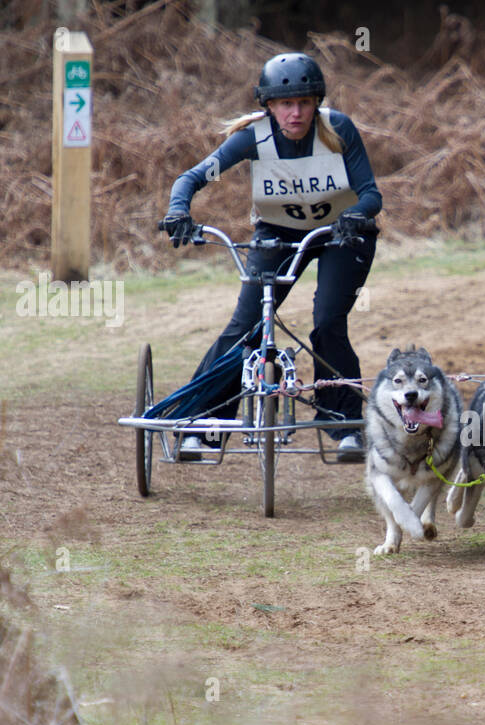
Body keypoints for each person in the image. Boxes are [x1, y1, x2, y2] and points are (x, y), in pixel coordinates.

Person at [158, 52, 381, 461]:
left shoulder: (338, 129)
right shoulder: (253, 138)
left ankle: (346, 426)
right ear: (269, 106)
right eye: (284, 104)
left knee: (328, 321)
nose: (295, 113)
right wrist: (178, 210)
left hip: (341, 235)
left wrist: (356, 215)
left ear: (316, 103)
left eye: (303, 103)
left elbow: (371, 193)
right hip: (277, 234)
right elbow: (191, 178)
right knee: (245, 330)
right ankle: (203, 426)